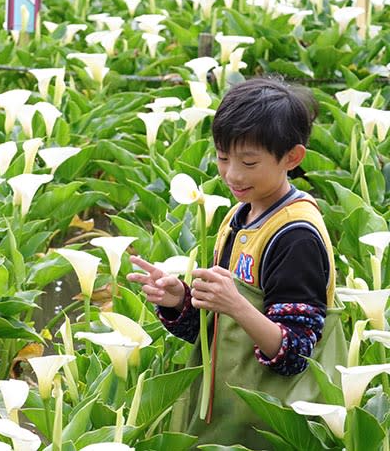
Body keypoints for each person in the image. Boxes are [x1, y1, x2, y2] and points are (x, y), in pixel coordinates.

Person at [126, 78, 346, 449]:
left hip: (268, 430)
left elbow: (294, 353)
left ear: (292, 158)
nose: (232, 175)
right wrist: (180, 300)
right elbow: (215, 334)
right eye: (223, 157)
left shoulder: (295, 237)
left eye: (248, 162)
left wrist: (236, 304)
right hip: (228, 424)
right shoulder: (239, 216)